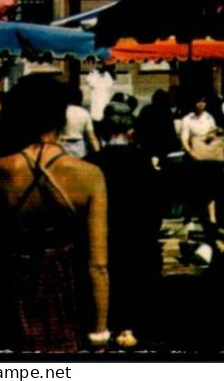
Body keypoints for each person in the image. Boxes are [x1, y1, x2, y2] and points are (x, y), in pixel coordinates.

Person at [0, 75, 110, 352]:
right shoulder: (89, 175)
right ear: (61, 117)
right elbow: (98, 265)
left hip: (8, 291)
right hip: (63, 292)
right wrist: (99, 334)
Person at [90, 115, 161, 349]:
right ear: (130, 131)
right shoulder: (143, 160)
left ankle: (109, 326)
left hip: (105, 232)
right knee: (136, 282)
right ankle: (131, 329)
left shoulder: (92, 161)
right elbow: (156, 201)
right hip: (138, 232)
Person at [179, 95, 224, 234]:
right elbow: (184, 137)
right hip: (194, 157)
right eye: (198, 101)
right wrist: (190, 151)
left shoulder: (208, 117)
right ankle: (189, 219)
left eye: (203, 101)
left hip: (208, 157)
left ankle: (212, 219)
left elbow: (213, 132)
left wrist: (213, 134)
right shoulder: (188, 119)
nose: (201, 104)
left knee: (211, 189)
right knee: (194, 190)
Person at [61, 88, 100, 159]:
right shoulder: (84, 113)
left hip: (63, 145)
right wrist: (98, 153)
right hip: (79, 146)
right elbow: (92, 138)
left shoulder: (62, 112)